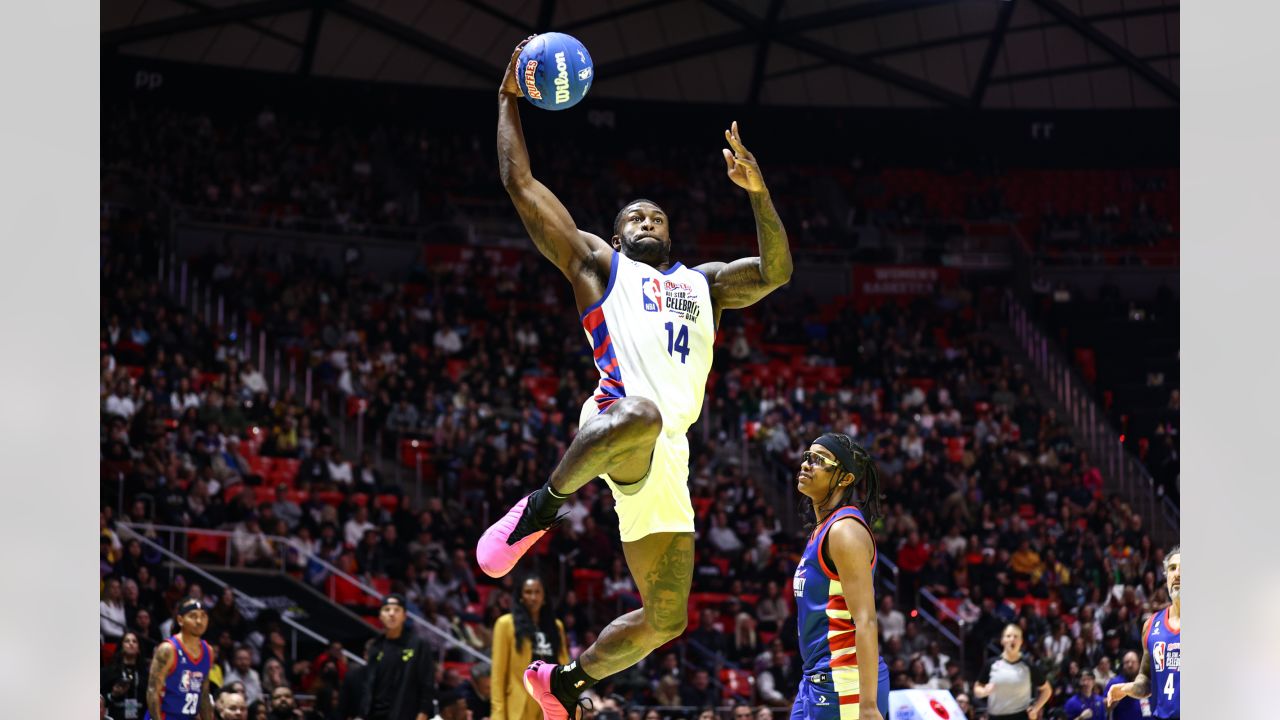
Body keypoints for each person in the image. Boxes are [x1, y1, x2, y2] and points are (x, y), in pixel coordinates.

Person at [478, 35, 794, 720]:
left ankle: (565, 682)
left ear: (670, 237)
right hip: (620, 416)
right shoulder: (600, 266)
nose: (647, 217)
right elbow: (521, 186)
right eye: (634, 216)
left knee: (667, 617)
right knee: (644, 411)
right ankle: (538, 511)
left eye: (658, 215)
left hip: (670, 450)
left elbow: (776, 273)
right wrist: (508, 98)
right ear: (616, 237)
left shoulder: (702, 284)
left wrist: (760, 193)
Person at [789, 433, 889, 720]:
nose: (807, 464)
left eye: (819, 460)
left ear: (844, 479)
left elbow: (866, 620)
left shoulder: (845, 531)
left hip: (845, 680)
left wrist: (868, 706)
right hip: (816, 678)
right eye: (807, 456)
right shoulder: (821, 530)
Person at [1107, 546, 1180, 719]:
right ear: (1166, 577)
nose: (1177, 574)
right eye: (1172, 568)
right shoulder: (1151, 624)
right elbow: (1146, 681)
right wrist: (1126, 688)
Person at [491, 577, 570, 720]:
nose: (533, 597)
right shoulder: (505, 624)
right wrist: (498, 714)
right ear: (520, 596)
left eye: (537, 592)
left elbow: (564, 666)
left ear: (544, 596)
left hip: (552, 700)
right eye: (528, 592)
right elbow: (498, 674)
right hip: (521, 702)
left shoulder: (557, 626)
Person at [358, 594, 437, 720]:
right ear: (380, 616)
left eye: (396, 610)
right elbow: (368, 685)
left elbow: (427, 684)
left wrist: (423, 713)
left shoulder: (418, 645)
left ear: (404, 616)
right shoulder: (376, 646)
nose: (391, 614)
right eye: (387, 609)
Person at [144, 597, 212, 720]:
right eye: (193, 616)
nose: (199, 621)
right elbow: (152, 691)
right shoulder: (168, 649)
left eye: (203, 616)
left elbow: (204, 695)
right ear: (180, 620)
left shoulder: (208, 651)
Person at [973, 624, 1052, 720]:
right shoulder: (991, 663)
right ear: (1002, 640)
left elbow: (1047, 690)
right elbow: (977, 688)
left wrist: (1035, 709)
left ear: (1021, 641)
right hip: (995, 717)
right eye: (1008, 636)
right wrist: (984, 691)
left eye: (1016, 636)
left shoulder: (1028, 666)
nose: (1012, 639)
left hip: (1020, 716)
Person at [1104, 651, 1152, 720]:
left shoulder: (1146, 681)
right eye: (1127, 662)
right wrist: (1113, 700)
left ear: (1139, 664)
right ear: (1123, 665)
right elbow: (1104, 707)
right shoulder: (1115, 682)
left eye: (1133, 662)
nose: (1130, 665)